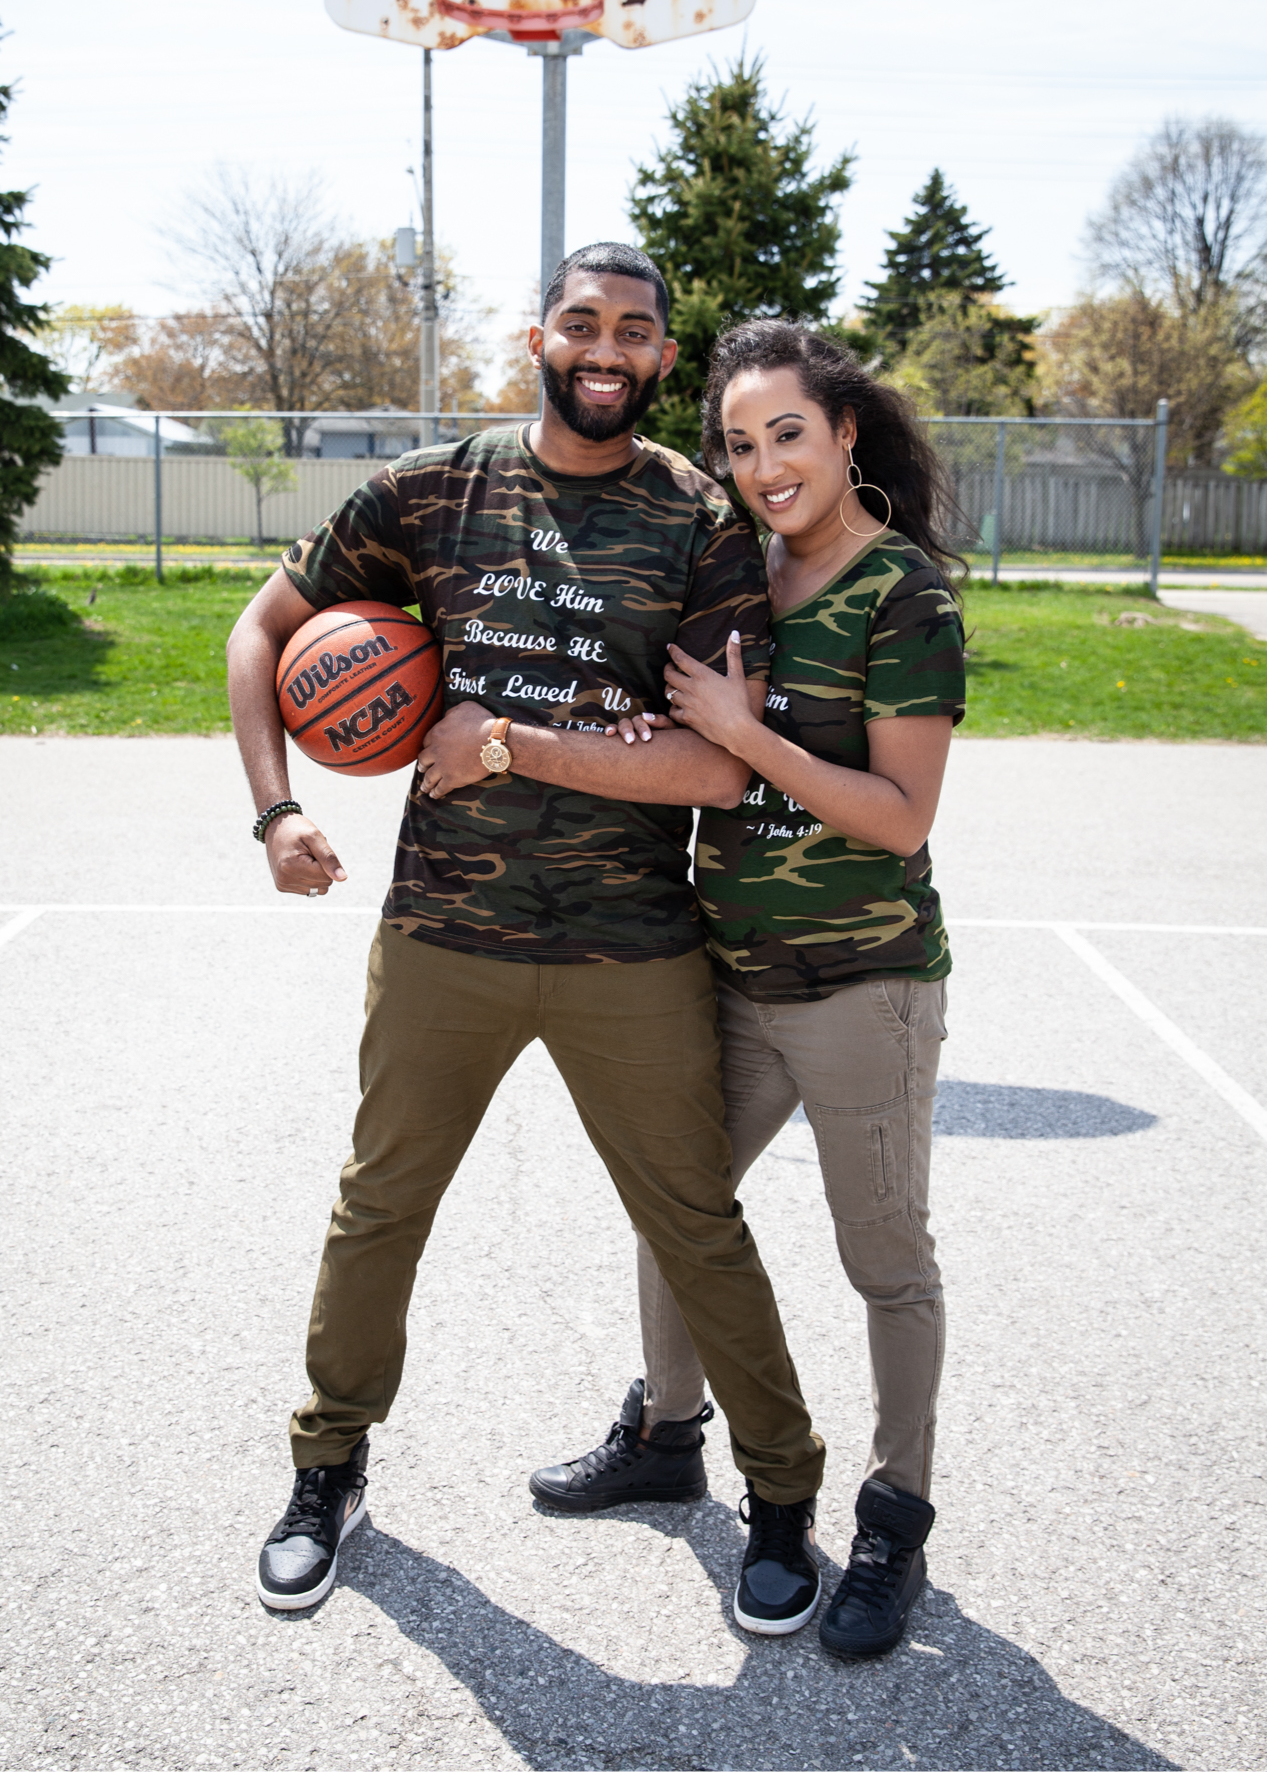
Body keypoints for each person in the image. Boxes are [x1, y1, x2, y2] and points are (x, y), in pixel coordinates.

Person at [226, 242, 832, 1633]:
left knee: (695, 1225)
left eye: (633, 329)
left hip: (630, 942)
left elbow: (717, 768)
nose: (604, 347)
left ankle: (785, 1500)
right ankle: (327, 1473)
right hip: (444, 931)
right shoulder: (430, 491)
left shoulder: (699, 520)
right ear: (538, 339)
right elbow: (262, 633)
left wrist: (508, 743)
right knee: (380, 1207)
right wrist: (274, 813)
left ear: (666, 356)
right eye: (580, 323)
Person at [524, 319, 969, 1663]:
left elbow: (898, 815)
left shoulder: (903, 594)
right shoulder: (734, 569)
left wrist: (740, 735)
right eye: (738, 441)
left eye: (788, 433)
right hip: (726, 971)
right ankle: (668, 1434)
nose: (765, 463)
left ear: (844, 433)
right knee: (681, 1212)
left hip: (860, 982)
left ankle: (893, 1515)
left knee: (883, 1262)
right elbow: (673, 735)